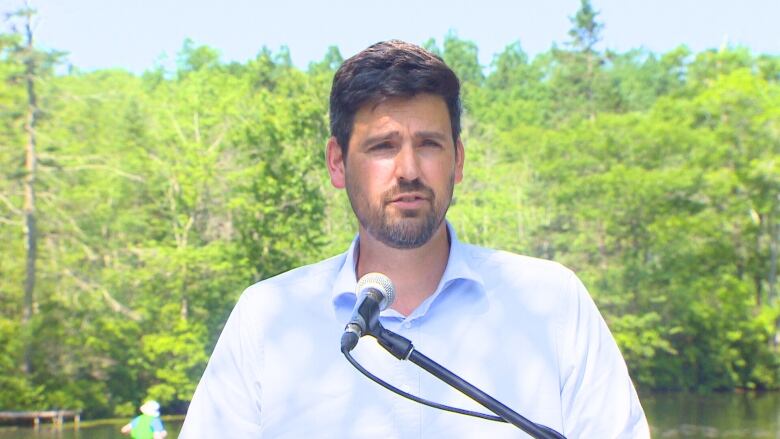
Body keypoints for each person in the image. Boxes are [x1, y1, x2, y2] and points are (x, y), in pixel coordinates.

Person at [180, 40, 650, 438]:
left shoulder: (552, 301)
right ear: (337, 163)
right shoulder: (268, 317)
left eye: (429, 144)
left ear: (458, 160)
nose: (408, 170)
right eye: (383, 147)